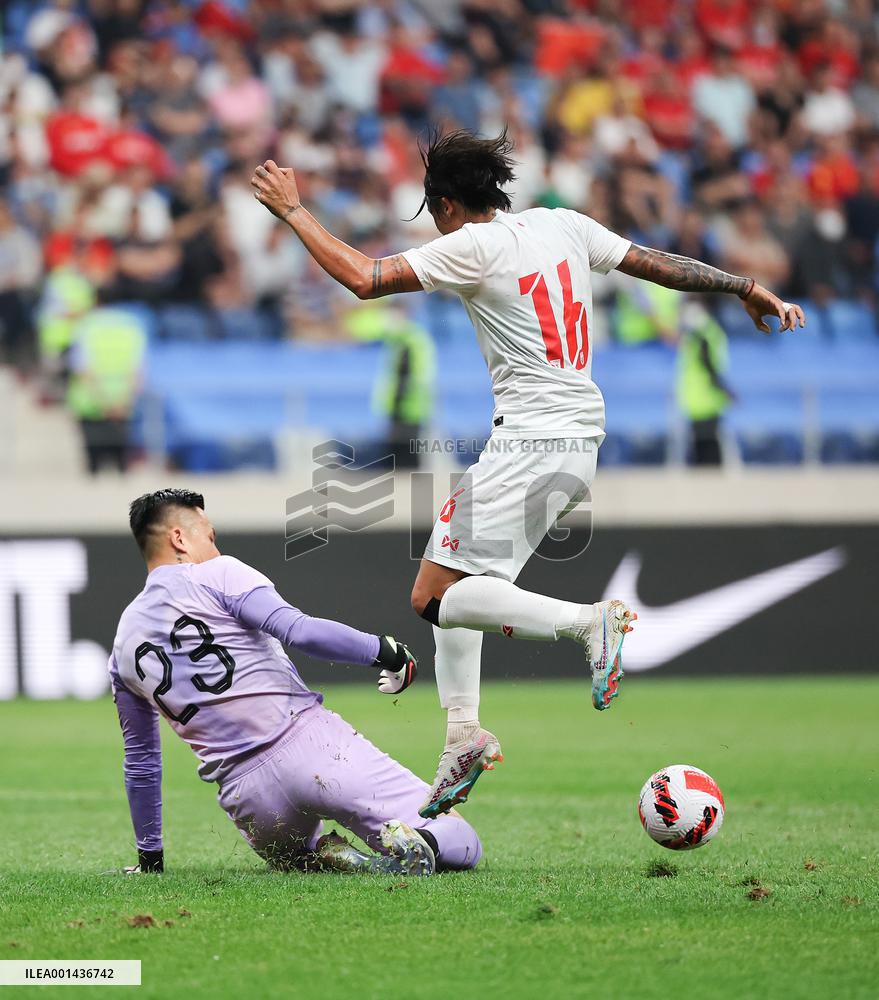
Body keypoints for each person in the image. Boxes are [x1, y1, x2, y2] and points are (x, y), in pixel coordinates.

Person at [250, 129, 805, 819]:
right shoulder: (562, 226)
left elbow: (364, 278)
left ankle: (588, 623)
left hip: (530, 443)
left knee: (430, 597)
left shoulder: (472, 245)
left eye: (433, 211)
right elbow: (655, 265)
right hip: (577, 442)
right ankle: (461, 734)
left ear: (447, 205)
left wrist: (294, 212)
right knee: (462, 581)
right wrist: (745, 286)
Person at [110, 488, 481, 877]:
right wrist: (383, 650)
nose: (216, 549)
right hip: (311, 749)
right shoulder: (217, 574)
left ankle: (336, 857)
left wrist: (150, 859)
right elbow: (299, 631)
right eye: (210, 536)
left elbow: (142, 762)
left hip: (251, 802)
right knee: (457, 834)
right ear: (179, 539)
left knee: (303, 860)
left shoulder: (123, 644)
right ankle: (421, 845)